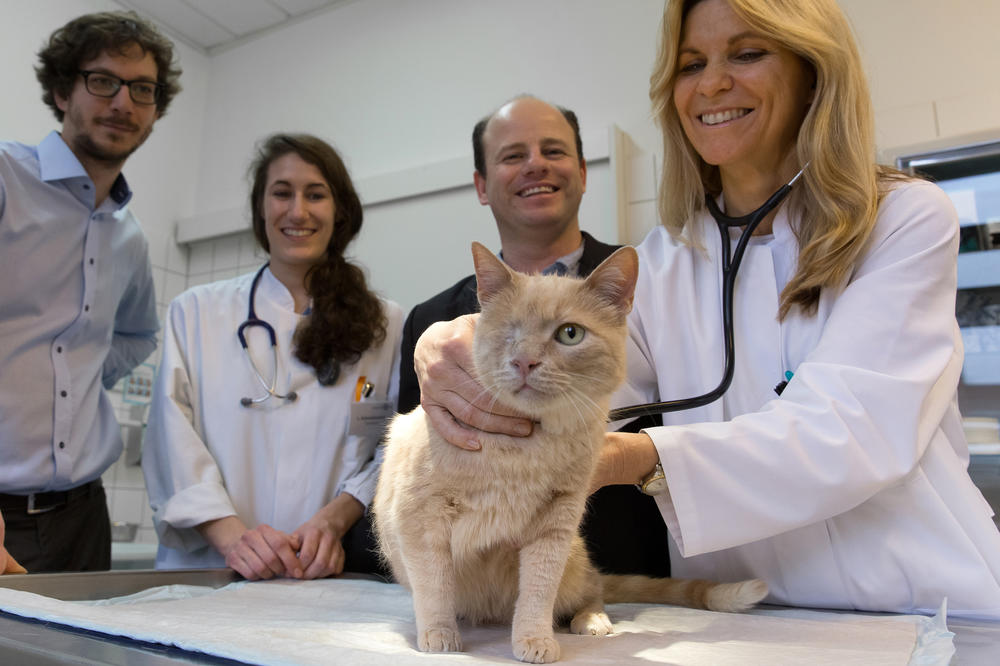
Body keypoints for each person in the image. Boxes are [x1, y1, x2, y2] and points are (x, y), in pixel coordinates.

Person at [413, 0, 1000, 619]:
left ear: (813, 72)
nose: (713, 83)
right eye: (691, 64)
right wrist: (456, 350)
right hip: (747, 617)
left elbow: (851, 430)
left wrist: (639, 457)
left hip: (921, 607)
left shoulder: (905, 218)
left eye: (748, 53)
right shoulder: (666, 260)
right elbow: (574, 393)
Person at [397, 95, 671, 577]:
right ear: (481, 185)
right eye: (512, 155)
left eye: (554, 150)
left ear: (584, 172)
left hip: (621, 578)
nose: (535, 165)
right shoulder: (430, 319)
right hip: (478, 592)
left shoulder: (653, 281)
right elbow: (407, 471)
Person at [142, 134, 403, 581]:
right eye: (281, 193)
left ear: (339, 211)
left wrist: (334, 521)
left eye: (315, 195)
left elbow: (392, 447)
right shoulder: (197, 311)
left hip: (320, 569)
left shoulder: (386, 325)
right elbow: (171, 439)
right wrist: (232, 538)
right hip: (212, 570)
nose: (297, 211)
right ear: (261, 209)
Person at [0, 11, 180, 574]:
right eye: (103, 81)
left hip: (82, 515)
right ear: (61, 89)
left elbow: (138, 334)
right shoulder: (6, 180)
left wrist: (77, 375)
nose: (123, 103)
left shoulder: (129, 237)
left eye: (142, 90)